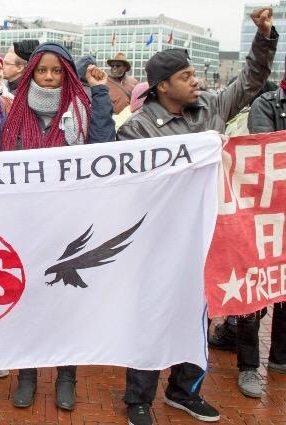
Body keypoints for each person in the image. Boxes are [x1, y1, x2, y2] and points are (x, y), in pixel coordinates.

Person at [117, 7, 277, 425]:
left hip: (207, 236)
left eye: (195, 75)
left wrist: (263, 36)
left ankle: (184, 391)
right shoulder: (137, 130)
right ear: (163, 86)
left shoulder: (210, 107)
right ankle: (138, 398)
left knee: (196, 315)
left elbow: (252, 81)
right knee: (153, 318)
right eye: (187, 77)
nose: (197, 82)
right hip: (159, 240)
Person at [0, 42, 115, 411]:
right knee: (29, 300)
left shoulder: (82, 110)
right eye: (42, 71)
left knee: (67, 301)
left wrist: (100, 93)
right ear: (31, 72)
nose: (48, 78)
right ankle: (28, 374)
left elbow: (103, 149)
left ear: (66, 74)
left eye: (56, 72)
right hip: (27, 225)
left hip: (69, 223)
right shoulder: (15, 112)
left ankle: (66, 375)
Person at [229, 67, 286, 399]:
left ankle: (280, 358)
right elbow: (265, 148)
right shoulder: (268, 104)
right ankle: (248, 366)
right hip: (261, 212)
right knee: (253, 291)